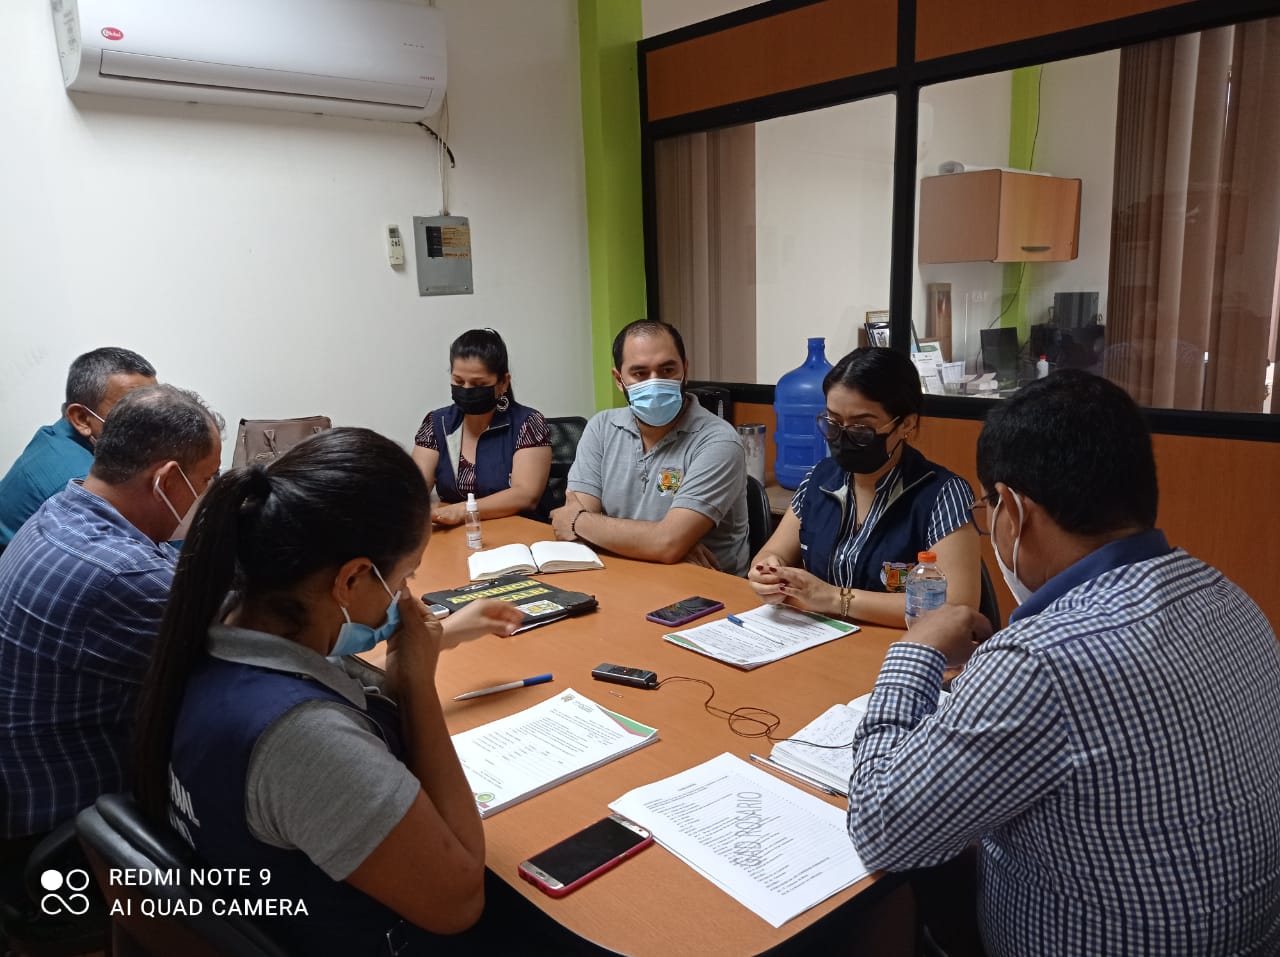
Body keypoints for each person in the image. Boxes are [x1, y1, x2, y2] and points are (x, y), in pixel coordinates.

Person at [846, 371, 1280, 955]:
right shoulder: (1228, 596)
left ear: (1013, 510)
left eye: (989, 509)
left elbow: (881, 829)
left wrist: (914, 651)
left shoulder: (1040, 661)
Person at [132, 428, 539, 956]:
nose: (404, 597)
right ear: (350, 581)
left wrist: (437, 643)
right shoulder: (303, 739)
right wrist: (416, 686)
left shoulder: (218, 623)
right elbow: (459, 902)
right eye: (404, 578)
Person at [0, 384, 221, 883]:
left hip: (24, 785)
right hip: (69, 826)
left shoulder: (62, 509)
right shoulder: (124, 575)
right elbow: (246, 650)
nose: (209, 494)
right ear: (167, 480)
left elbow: (161, 565)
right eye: (208, 479)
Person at [748, 347, 980, 627]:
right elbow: (772, 554)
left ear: (906, 424)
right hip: (820, 636)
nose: (843, 437)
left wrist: (836, 599)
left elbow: (957, 605)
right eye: (833, 423)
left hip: (901, 643)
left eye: (861, 429)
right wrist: (767, 572)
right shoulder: (819, 479)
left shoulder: (943, 494)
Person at [550, 319, 749, 576]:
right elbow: (577, 536)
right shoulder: (601, 427)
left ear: (685, 369)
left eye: (667, 370)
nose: (655, 382)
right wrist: (656, 544)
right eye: (640, 373)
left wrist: (581, 522)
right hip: (623, 576)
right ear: (619, 379)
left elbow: (666, 543)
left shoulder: (718, 440)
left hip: (702, 586)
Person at [0, 346, 156, 553]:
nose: (153, 423)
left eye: (155, 407)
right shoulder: (83, 483)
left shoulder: (57, 435)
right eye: (133, 411)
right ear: (81, 418)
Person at [412, 328, 551, 525]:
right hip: (457, 534)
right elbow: (414, 490)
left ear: (503, 383)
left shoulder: (528, 423)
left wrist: (464, 510)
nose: (466, 389)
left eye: (478, 384)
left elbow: (525, 495)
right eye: (458, 381)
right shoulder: (437, 423)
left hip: (518, 532)